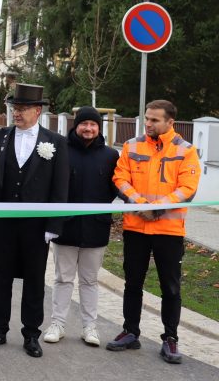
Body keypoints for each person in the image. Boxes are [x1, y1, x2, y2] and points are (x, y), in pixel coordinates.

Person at [106, 99, 200, 364]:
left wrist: (155, 209)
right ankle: (130, 332)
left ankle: (170, 339)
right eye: (147, 118)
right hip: (136, 227)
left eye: (154, 120)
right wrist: (140, 205)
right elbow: (119, 178)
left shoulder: (187, 150)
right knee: (132, 283)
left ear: (170, 122)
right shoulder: (131, 146)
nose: (148, 123)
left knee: (170, 288)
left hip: (169, 230)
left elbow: (187, 188)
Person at [0, 83, 69, 358]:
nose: (16, 114)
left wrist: (53, 225)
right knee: (1, 277)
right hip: (5, 222)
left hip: (37, 225)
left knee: (34, 279)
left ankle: (31, 333)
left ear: (37, 110)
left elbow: (60, 187)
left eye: (21, 109)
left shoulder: (55, 142)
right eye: (14, 108)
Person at [43, 107, 118, 347]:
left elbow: (116, 187)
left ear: (99, 127)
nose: (88, 128)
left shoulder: (110, 155)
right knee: (63, 279)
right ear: (75, 126)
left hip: (96, 228)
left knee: (90, 280)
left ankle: (90, 327)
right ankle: (57, 324)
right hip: (66, 227)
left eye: (93, 124)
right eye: (84, 124)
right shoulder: (62, 150)